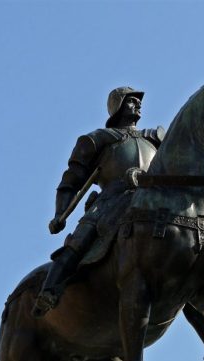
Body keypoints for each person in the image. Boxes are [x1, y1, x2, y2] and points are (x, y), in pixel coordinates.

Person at [32, 86, 165, 317]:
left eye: (138, 101)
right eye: (132, 101)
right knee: (79, 241)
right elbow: (71, 181)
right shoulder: (98, 140)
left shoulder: (154, 137)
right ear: (119, 105)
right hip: (111, 200)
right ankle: (50, 290)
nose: (139, 104)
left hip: (153, 196)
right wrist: (59, 213)